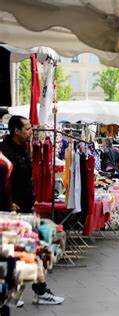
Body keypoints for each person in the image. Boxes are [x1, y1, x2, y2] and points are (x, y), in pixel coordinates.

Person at [0, 115, 64, 306]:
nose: (31, 131)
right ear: (16, 131)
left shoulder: (23, 149)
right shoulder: (5, 153)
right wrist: (9, 204)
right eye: (27, 128)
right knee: (24, 252)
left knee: (25, 252)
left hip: (25, 209)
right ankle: (33, 291)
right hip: (13, 212)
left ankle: (18, 292)